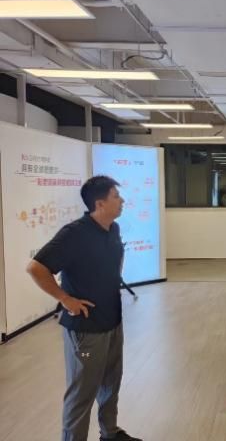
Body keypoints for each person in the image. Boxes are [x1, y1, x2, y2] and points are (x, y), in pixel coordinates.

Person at [26, 176, 142, 441]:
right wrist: (65, 299)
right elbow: (36, 268)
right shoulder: (74, 234)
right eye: (116, 196)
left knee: (111, 383)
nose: (122, 201)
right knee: (82, 393)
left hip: (113, 320)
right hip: (86, 328)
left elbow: (115, 261)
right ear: (100, 203)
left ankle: (109, 433)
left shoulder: (113, 228)